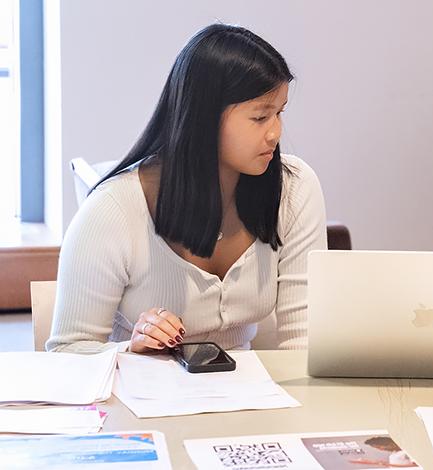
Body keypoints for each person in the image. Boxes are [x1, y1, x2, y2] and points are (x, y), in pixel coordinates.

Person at [47, 24, 327, 354]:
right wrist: (130, 351)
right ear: (204, 117)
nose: (275, 133)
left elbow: (303, 344)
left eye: (279, 112)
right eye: (260, 117)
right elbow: (66, 353)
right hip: (142, 399)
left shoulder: (294, 188)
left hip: (249, 399)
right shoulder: (112, 209)